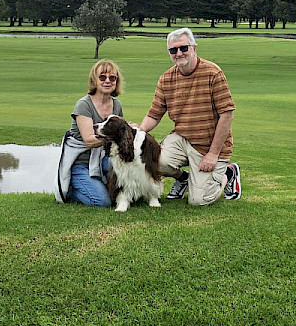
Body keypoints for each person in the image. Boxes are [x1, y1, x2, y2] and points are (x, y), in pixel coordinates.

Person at [137, 27, 241, 205]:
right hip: (182, 138)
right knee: (153, 161)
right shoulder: (166, 79)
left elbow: (227, 115)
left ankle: (228, 173)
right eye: (173, 50)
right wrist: (137, 131)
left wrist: (213, 154)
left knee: (198, 200)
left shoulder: (213, 73)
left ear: (194, 48)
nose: (179, 53)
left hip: (208, 145)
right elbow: (154, 115)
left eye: (183, 48)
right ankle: (183, 178)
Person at [55, 59, 124, 207]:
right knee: (103, 202)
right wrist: (117, 135)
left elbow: (121, 135)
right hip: (81, 163)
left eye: (112, 78)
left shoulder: (116, 105)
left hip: (104, 159)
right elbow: (89, 141)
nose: (107, 81)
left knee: (121, 184)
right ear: (94, 80)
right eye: (102, 77)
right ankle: (70, 190)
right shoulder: (84, 104)